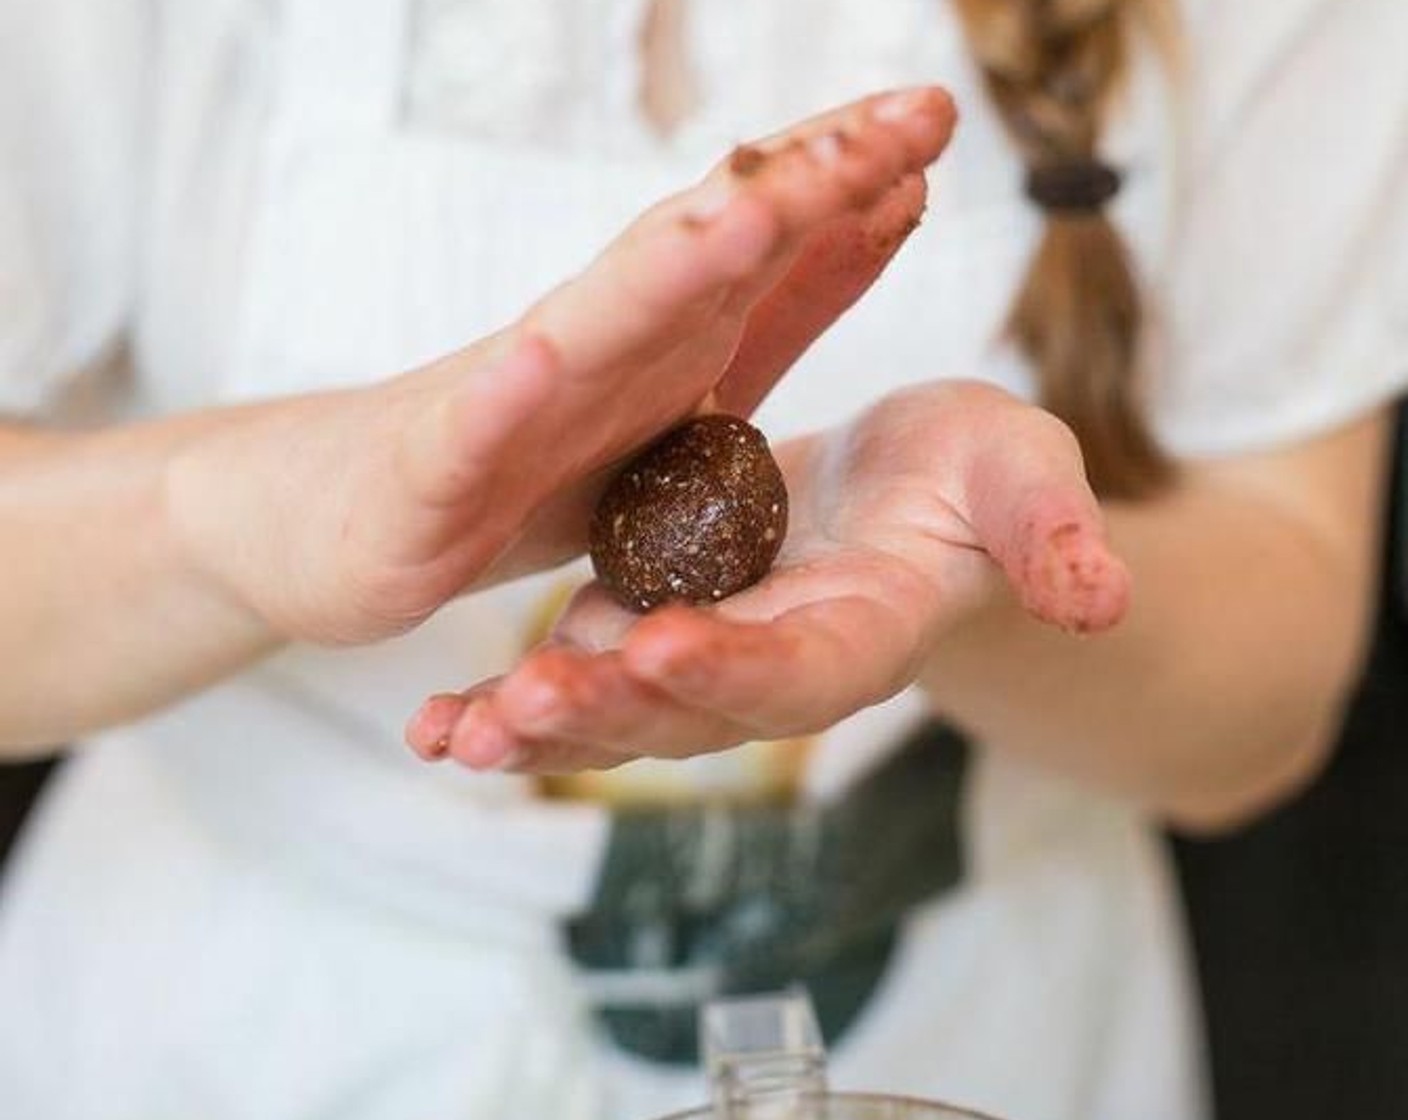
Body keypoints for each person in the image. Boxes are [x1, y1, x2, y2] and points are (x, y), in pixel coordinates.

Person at [0, 1, 1404, 1119]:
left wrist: (985, 576)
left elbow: (1264, 704)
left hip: (975, 1033)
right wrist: (249, 513)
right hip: (247, 1028)